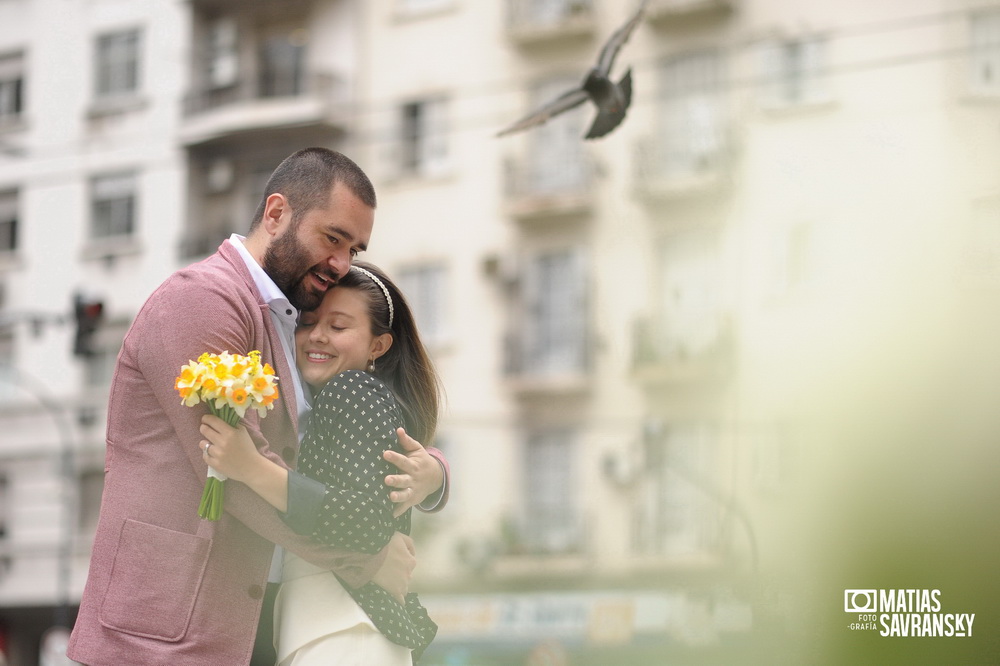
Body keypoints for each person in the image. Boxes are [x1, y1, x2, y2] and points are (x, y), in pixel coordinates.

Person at [67, 148, 450, 666]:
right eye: (332, 238)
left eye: (354, 250)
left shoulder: (295, 319)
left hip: (250, 621)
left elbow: (343, 445)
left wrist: (433, 474)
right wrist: (365, 558)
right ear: (276, 214)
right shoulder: (204, 301)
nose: (341, 263)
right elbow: (238, 471)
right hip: (164, 629)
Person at [201, 261, 441, 664]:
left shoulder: (351, 390)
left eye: (339, 326)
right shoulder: (340, 401)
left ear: (378, 346)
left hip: (344, 629)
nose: (317, 336)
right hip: (336, 628)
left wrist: (251, 467)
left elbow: (364, 522)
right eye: (308, 323)